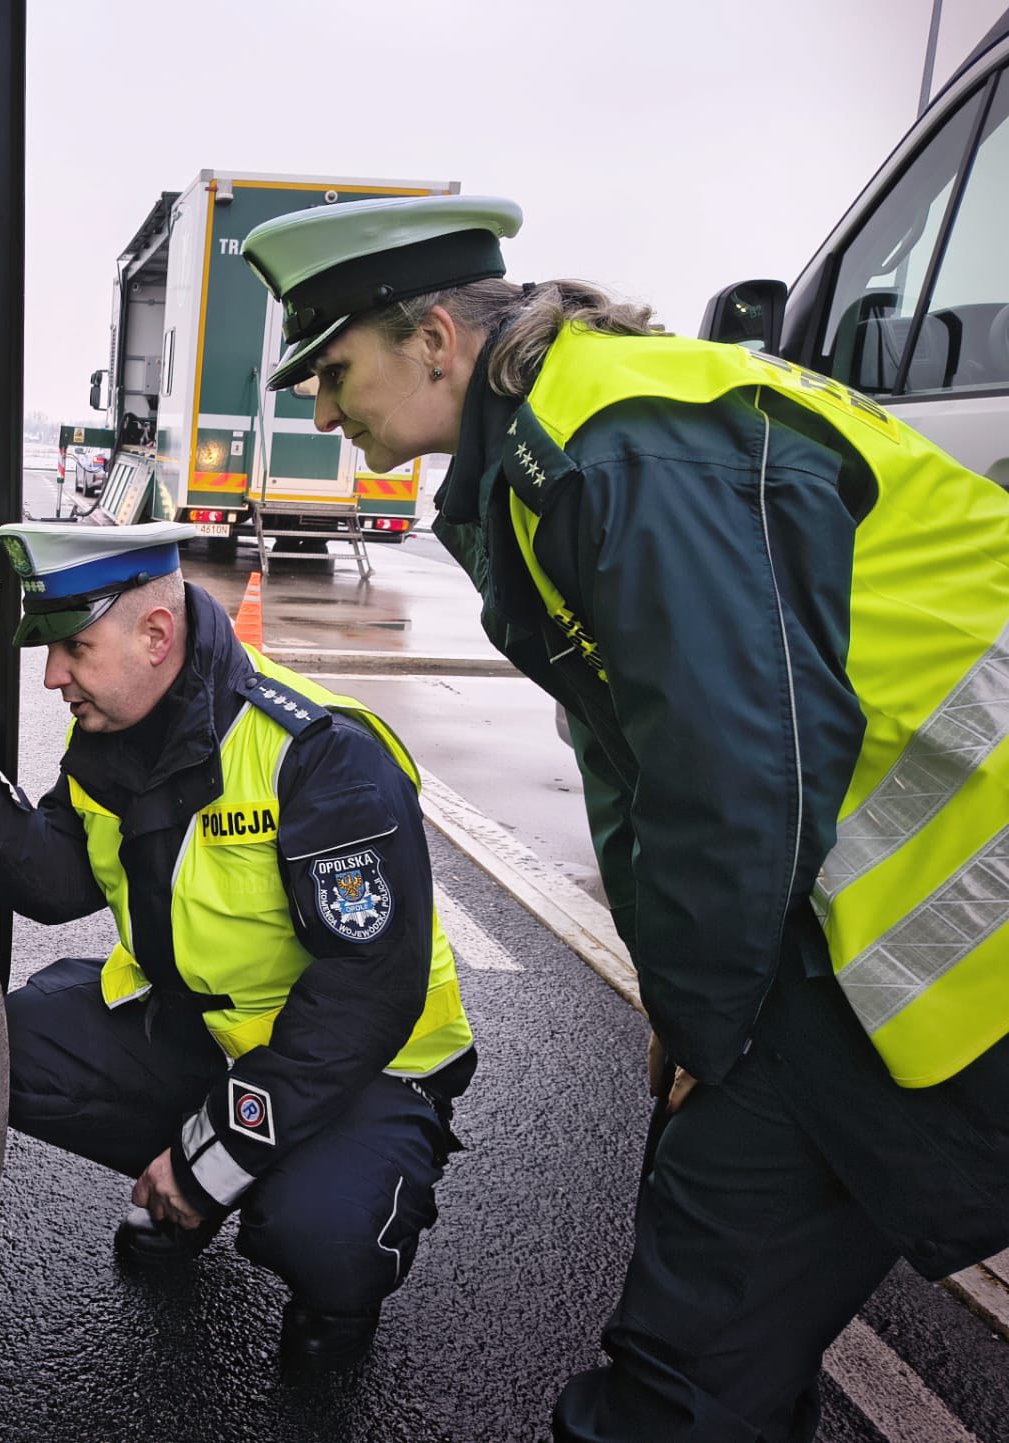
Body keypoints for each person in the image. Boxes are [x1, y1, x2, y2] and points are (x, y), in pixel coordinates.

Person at [240, 192, 1009, 1440]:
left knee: (691, 1353)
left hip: (944, 912)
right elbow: (636, 764)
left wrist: (710, 1019)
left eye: (333, 372)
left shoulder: (613, 450)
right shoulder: (559, 449)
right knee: (714, 1327)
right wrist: (684, 995)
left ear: (434, 339)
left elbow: (730, 773)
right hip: (865, 924)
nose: (324, 413)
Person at [0, 518, 477, 1376]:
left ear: (155, 633)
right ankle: (209, 1185)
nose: (51, 675)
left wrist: (202, 1162)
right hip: (204, 1035)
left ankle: (335, 1300)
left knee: (322, 1231)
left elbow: (367, 994)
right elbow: (65, 880)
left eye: (72, 645)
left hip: (363, 1070)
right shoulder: (113, 732)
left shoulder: (319, 755)